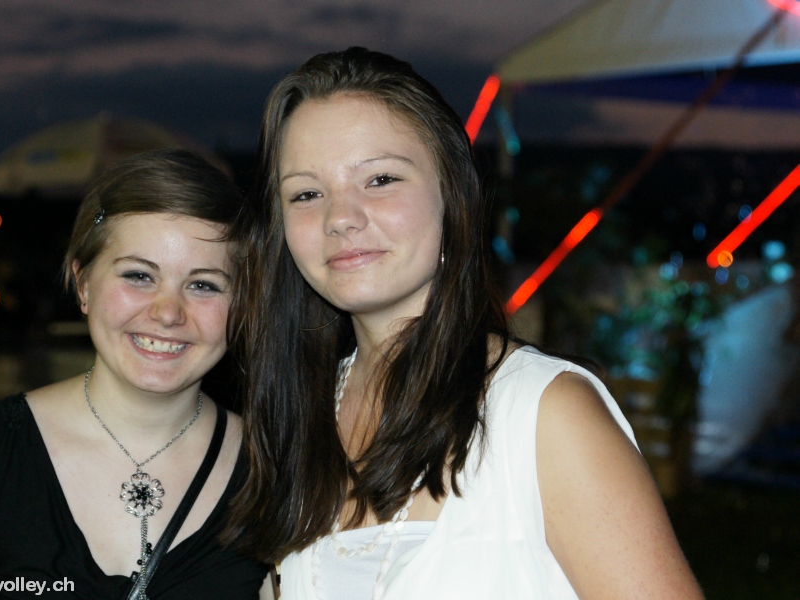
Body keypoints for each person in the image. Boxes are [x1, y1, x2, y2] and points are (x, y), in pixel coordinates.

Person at [225, 48, 704, 599]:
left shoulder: (543, 414)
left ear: (452, 196)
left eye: (380, 179)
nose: (340, 218)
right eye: (306, 193)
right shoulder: (301, 414)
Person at [0, 150, 271, 599]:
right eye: (139, 275)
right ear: (83, 284)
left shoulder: (276, 474)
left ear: (241, 305)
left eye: (203, 284)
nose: (168, 312)